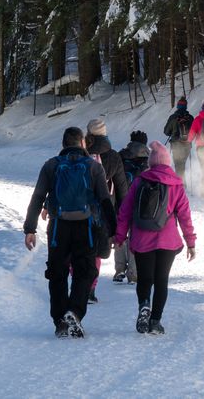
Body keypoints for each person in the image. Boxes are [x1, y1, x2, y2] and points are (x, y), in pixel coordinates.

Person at [23, 126, 116, 338]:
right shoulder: (93, 167)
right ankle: (74, 312)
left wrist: (30, 228)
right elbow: (105, 200)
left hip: (58, 227)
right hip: (86, 227)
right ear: (82, 143)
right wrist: (114, 230)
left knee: (57, 273)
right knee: (85, 272)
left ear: (63, 144)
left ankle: (59, 322)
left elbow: (37, 197)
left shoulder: (52, 166)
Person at [114, 142, 197, 335]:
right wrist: (190, 242)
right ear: (168, 162)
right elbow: (184, 215)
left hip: (142, 239)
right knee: (161, 280)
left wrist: (120, 236)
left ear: (151, 162)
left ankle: (144, 305)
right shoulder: (176, 184)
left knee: (145, 278)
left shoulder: (139, 181)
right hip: (168, 240)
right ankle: (155, 321)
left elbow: (125, 211)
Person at [84, 118, 125, 302]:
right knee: (96, 251)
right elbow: (122, 188)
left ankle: (80, 283)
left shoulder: (81, 153)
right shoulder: (114, 156)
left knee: (79, 247)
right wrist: (122, 217)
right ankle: (91, 288)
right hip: (104, 210)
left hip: (80, 208)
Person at [114, 130, 149, 284]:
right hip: (140, 203)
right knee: (136, 237)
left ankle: (119, 270)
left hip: (121, 201)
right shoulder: (150, 159)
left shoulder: (120, 156)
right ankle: (133, 273)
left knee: (120, 235)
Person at [162, 96, 194, 177]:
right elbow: (193, 132)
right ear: (186, 106)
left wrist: (172, 133)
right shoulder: (190, 118)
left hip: (176, 144)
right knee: (182, 164)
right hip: (187, 145)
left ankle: (180, 185)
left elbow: (166, 131)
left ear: (178, 106)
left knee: (178, 165)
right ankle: (182, 184)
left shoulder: (173, 117)